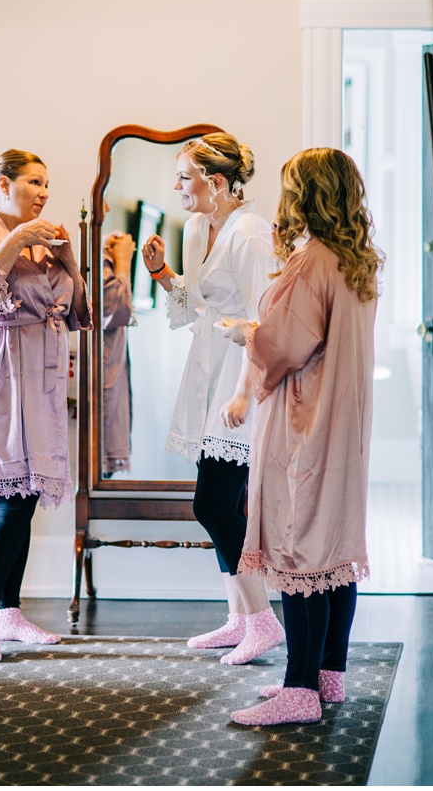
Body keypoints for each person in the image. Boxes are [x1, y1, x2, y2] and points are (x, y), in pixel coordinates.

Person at [223, 148, 382, 726]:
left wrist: (246, 333)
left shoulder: (312, 260)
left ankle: (298, 691)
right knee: (332, 550)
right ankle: (326, 676)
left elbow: (283, 345)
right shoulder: (356, 259)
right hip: (344, 427)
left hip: (305, 427)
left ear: (306, 194)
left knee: (300, 553)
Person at [140, 132, 284, 665]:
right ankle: (239, 619)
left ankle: (263, 621)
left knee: (214, 503)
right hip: (206, 369)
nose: (177, 186)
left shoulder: (252, 235)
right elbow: (193, 310)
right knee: (218, 501)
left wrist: (246, 394)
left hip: (238, 377)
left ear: (215, 182)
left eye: (184, 176)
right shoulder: (199, 227)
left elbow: (262, 321)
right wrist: (159, 273)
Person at [0, 149, 91, 663]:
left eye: (47, 183)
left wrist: (68, 259)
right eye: (34, 181)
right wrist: (13, 242)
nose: (44, 191)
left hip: (42, 375)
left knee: (26, 495)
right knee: (8, 496)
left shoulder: (46, 243)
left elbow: (75, 312)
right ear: (4, 184)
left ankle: (10, 614)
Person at [101, 229, 136, 476]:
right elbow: (117, 311)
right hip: (102, 371)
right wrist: (123, 264)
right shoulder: (99, 258)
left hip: (113, 365)